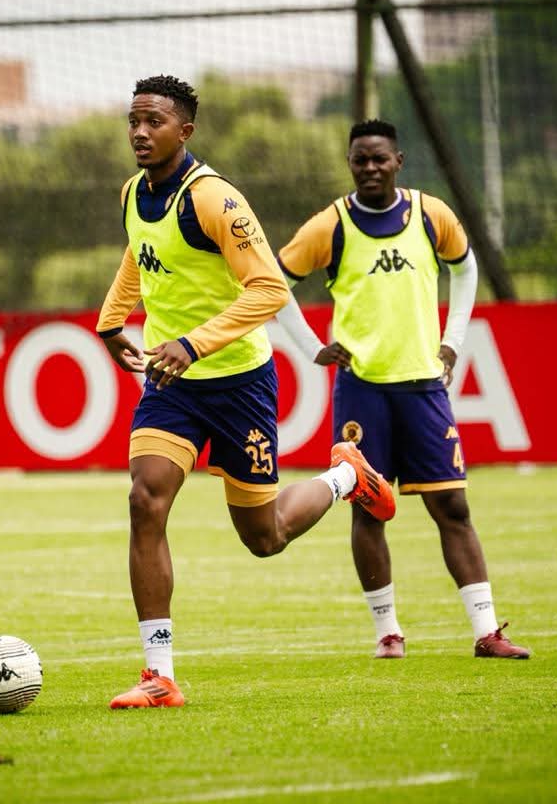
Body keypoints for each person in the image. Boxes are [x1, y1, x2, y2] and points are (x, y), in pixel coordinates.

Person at [96, 76, 397, 709]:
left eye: (155, 121)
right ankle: (159, 676)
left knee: (265, 537)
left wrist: (194, 342)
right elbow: (140, 254)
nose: (141, 132)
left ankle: (346, 478)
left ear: (187, 131)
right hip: (172, 388)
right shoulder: (132, 193)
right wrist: (111, 320)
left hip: (238, 385)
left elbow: (267, 289)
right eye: (134, 120)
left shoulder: (214, 199)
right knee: (144, 501)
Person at [274, 118, 530, 661]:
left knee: (453, 508)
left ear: (399, 161)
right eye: (360, 160)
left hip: (422, 388)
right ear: (350, 164)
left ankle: (487, 632)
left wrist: (453, 341)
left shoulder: (431, 214)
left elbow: (465, 268)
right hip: (362, 390)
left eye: (379, 159)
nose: (370, 168)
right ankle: (387, 632)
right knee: (369, 510)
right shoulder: (331, 225)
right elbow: (274, 282)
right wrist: (309, 346)